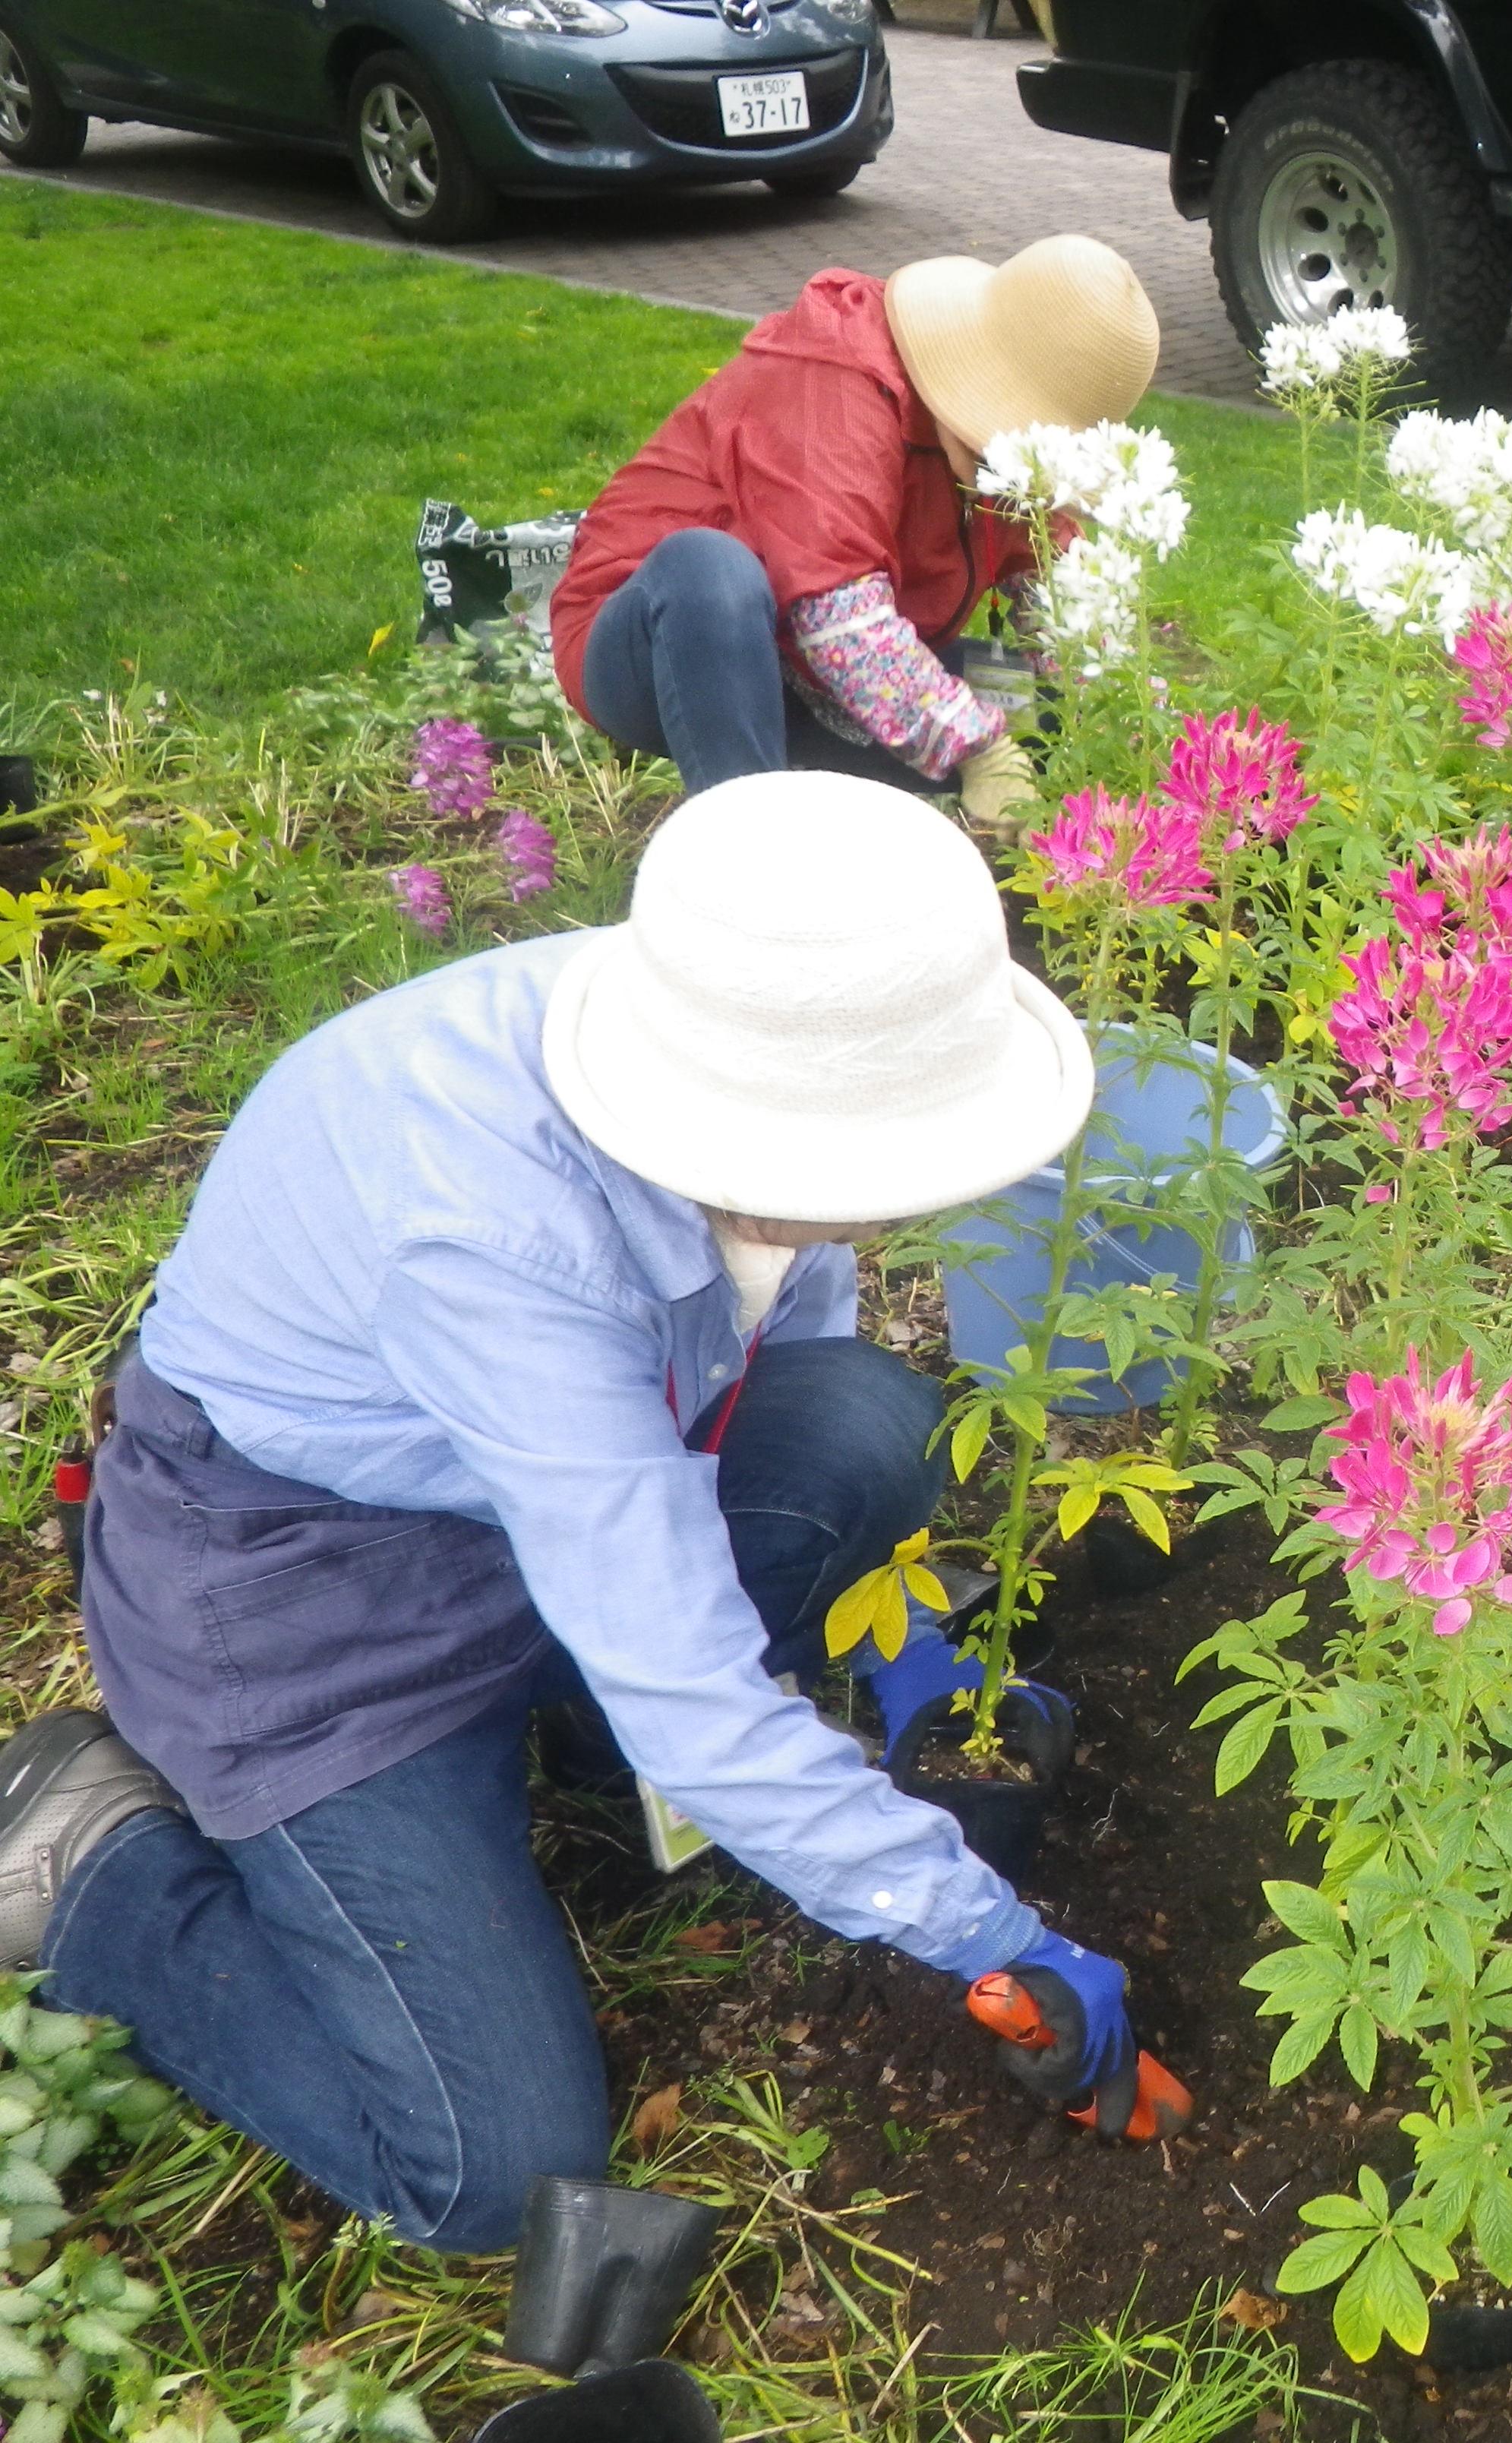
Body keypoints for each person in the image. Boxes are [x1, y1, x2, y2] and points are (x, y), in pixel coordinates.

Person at [0, 774, 1174, 2254]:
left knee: (864, 1424)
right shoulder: (494, 1231)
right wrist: (990, 1934)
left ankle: (572, 1731)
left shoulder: (735, 1064)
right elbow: (691, 1696)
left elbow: (780, 1372)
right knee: (491, 2167)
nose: (886, 1207)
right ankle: (94, 1869)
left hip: (536, 1494)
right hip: (303, 1583)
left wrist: (906, 1636)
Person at [551, 235, 1158, 829]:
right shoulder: (841, 384)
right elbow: (837, 616)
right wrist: (979, 749)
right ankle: (747, 869)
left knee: (1046, 707)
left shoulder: (1001, 462)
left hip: (816, 670)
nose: (1016, 476)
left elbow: (1058, 595)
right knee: (709, 569)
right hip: (661, 645)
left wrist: (1141, 722)